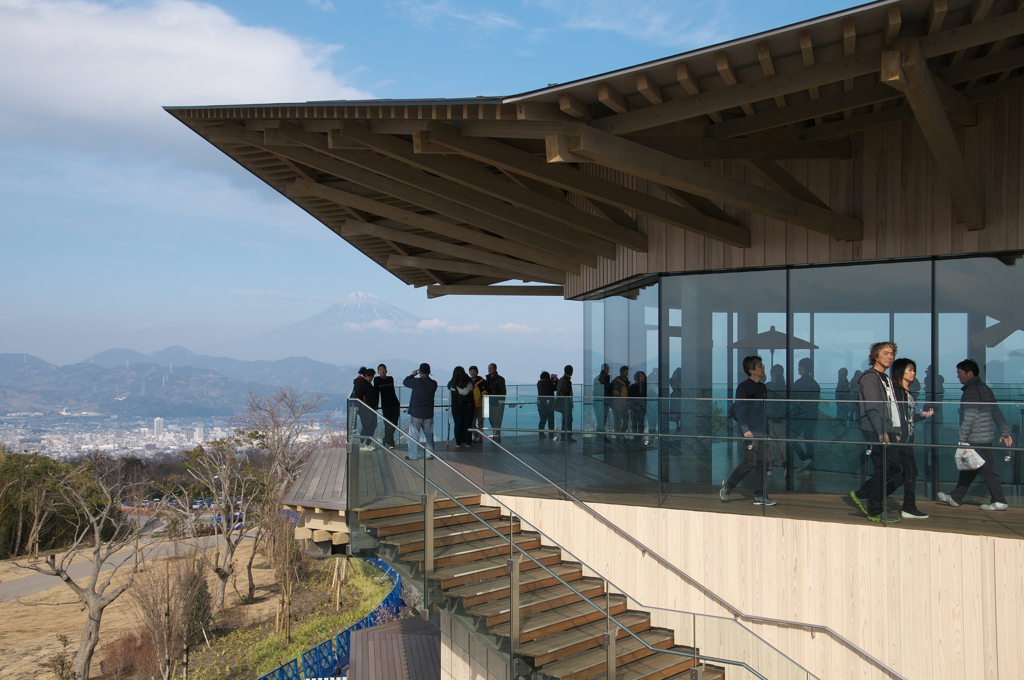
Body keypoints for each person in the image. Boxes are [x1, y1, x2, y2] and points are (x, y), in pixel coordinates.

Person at [937, 359, 1014, 511]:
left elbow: (970, 416)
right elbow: (996, 411)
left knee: (987, 471)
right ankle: (955, 497)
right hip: (984, 437)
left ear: (969, 373)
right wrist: (1005, 431)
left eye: (959, 373)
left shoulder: (971, 391)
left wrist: (962, 437)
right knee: (970, 467)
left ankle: (999, 500)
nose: (957, 376)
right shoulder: (984, 388)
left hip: (975, 438)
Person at [851, 342, 904, 523]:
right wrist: (881, 430)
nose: (890, 356)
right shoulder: (870, 378)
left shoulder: (885, 378)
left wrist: (895, 429)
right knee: (882, 468)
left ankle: (863, 493)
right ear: (875, 356)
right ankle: (875, 510)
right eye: (886, 353)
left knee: (895, 467)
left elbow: (892, 407)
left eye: (892, 353)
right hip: (874, 429)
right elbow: (873, 407)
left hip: (886, 428)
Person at [720, 355, 777, 506]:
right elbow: (740, 409)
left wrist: (767, 430)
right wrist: (745, 430)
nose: (763, 368)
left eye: (762, 365)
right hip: (749, 432)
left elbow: (763, 411)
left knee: (763, 464)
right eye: (760, 366)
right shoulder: (743, 387)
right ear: (751, 370)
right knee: (750, 462)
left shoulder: (763, 388)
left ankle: (760, 496)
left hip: (762, 432)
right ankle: (728, 485)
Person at [891, 358, 934, 518]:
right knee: (911, 471)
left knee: (907, 472)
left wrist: (922, 416)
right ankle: (908, 507)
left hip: (907, 437)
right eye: (909, 370)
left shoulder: (906, 392)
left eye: (913, 370)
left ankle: (875, 493)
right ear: (900, 371)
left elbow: (908, 417)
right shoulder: (898, 391)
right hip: (901, 438)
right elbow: (897, 417)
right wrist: (898, 434)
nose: (913, 373)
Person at [790, 358, 820, 474]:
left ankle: (804, 460)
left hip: (800, 416)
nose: (798, 369)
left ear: (802, 368)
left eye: (799, 366)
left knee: (791, 438)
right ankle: (808, 465)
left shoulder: (798, 384)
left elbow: (794, 402)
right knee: (809, 441)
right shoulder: (815, 384)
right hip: (811, 416)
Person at [402, 363, 437, 460]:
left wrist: (413, 374)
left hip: (416, 413)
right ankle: (430, 454)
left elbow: (405, 382)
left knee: (414, 435)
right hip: (428, 413)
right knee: (429, 435)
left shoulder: (416, 382)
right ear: (429, 372)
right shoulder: (434, 383)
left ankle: (413, 455)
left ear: (420, 372)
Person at [764, 364, 788, 475]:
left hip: (770, 418)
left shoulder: (768, 386)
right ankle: (784, 465)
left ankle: (770, 467)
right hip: (782, 419)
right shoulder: (785, 387)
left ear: (772, 373)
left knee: (771, 443)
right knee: (780, 443)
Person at [350, 366, 377, 451]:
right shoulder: (361, 383)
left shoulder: (365, 383)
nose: (372, 379)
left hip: (369, 408)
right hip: (364, 409)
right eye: (371, 377)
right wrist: (355, 406)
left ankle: (366, 442)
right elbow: (356, 395)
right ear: (367, 376)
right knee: (368, 425)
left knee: (371, 425)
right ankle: (365, 443)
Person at [448, 366, 476, 448]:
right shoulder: (469, 383)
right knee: (468, 425)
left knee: (458, 425)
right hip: (469, 407)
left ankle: (458, 442)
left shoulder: (452, 384)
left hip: (457, 408)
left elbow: (448, 385)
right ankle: (468, 442)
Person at [374, 363, 400, 449]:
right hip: (385, 405)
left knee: (394, 423)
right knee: (387, 424)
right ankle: (390, 442)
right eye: (380, 370)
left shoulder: (390, 378)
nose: (382, 371)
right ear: (378, 372)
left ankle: (386, 439)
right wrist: (376, 404)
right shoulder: (376, 380)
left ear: (386, 370)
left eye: (383, 369)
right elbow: (376, 392)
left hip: (395, 403)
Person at [485, 363, 506, 443]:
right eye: (488, 368)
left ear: (495, 369)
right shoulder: (487, 379)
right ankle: (495, 434)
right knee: (491, 419)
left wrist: (501, 401)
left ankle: (497, 436)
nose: (489, 369)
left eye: (491, 368)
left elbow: (503, 391)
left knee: (497, 420)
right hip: (489, 402)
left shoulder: (500, 379)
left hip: (497, 402)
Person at [556, 365, 577, 443]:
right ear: (571, 372)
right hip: (566, 403)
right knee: (568, 420)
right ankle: (568, 436)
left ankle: (563, 436)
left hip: (562, 403)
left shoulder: (561, 380)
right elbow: (567, 393)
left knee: (565, 420)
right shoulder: (567, 381)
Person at [628, 370, 648, 444]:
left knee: (641, 422)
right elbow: (630, 396)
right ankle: (635, 436)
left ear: (644, 378)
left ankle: (640, 436)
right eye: (638, 376)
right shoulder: (633, 386)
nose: (639, 378)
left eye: (641, 376)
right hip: (634, 407)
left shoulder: (646, 386)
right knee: (634, 422)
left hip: (642, 407)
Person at [468, 366, 487, 443]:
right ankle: (475, 435)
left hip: (480, 404)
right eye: (471, 371)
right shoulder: (468, 381)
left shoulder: (482, 381)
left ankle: (480, 436)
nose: (473, 373)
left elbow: (486, 391)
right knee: (472, 422)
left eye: (474, 371)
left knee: (480, 422)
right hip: (471, 405)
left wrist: (480, 396)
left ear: (477, 372)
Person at [610, 366, 630, 434]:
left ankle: (621, 434)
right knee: (618, 421)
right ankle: (618, 436)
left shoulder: (626, 382)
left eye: (627, 371)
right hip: (617, 404)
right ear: (621, 372)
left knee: (626, 421)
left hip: (625, 404)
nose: (626, 373)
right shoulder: (617, 381)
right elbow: (614, 392)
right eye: (625, 371)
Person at [537, 371, 556, 438]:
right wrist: (555, 381)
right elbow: (555, 388)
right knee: (551, 420)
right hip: (549, 403)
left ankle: (541, 434)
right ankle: (551, 434)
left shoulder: (539, 384)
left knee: (542, 420)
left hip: (540, 403)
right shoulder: (549, 383)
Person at [593, 364, 611, 435]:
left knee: (602, 420)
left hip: (602, 402)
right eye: (607, 369)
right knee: (601, 419)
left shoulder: (598, 379)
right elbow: (597, 392)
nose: (608, 370)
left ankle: (600, 434)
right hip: (600, 402)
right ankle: (601, 434)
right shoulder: (599, 379)